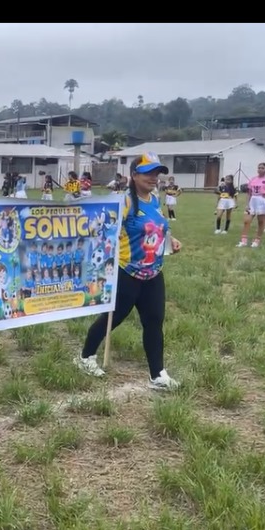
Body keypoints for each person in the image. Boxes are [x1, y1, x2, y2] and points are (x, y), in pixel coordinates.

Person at [74, 153, 182, 391]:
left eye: (156, 173)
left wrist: (171, 240)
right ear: (134, 175)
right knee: (113, 318)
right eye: (148, 173)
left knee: (154, 321)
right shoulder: (124, 202)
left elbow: (159, 227)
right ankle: (85, 356)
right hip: (127, 273)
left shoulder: (154, 199)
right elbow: (102, 229)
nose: (153, 178)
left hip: (154, 272)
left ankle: (157, 374)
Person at [238, 163, 265, 249]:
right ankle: (243, 241)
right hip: (253, 200)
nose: (260, 169)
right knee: (247, 220)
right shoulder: (253, 179)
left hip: (262, 200)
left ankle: (257, 240)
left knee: (261, 221)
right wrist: (247, 204)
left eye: (262, 168)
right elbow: (249, 192)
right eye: (259, 168)